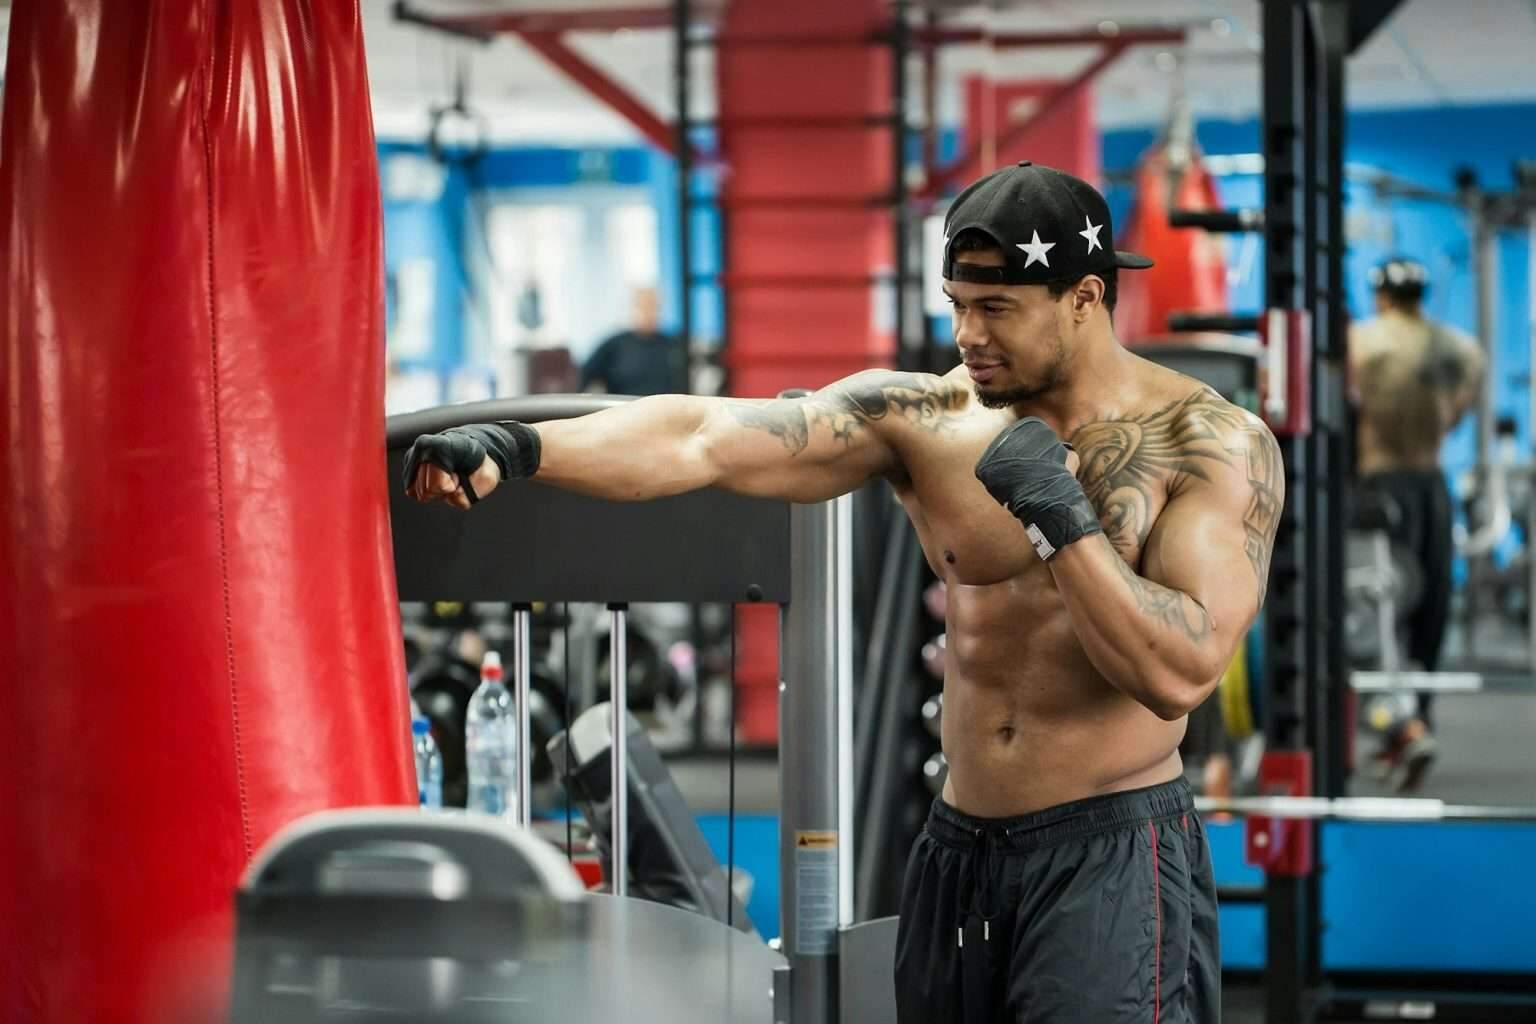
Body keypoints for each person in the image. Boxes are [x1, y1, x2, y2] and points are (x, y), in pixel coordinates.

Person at [404, 161, 1283, 1023]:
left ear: (1085, 298)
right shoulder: (928, 421)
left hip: (1108, 852)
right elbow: (701, 434)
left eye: (997, 310)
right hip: (957, 852)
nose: (968, 336)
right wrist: (521, 447)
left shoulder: (1206, 442)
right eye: (959, 307)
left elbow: (1182, 671)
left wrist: (1061, 517)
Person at [1348, 256, 1484, 791]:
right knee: (1430, 613)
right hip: (1432, 485)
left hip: (1381, 486)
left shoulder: (1363, 342)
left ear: (1381, 294)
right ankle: (1415, 719)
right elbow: (1454, 415)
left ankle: (1397, 727)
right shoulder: (1461, 350)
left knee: (1380, 615)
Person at [580, 285, 688, 396]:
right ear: (633, 308)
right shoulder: (614, 345)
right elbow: (584, 375)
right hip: (625, 409)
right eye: (643, 306)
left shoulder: (672, 345)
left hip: (665, 410)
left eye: (652, 306)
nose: (648, 312)